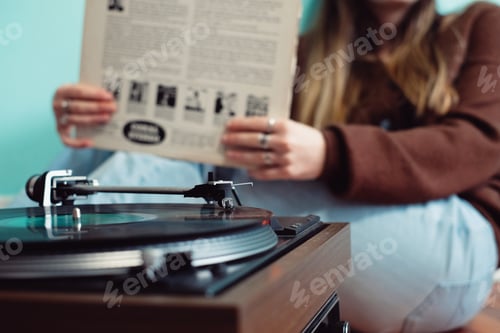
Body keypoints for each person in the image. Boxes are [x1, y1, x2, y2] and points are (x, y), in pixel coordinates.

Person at [44, 0, 500, 331]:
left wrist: (326, 152)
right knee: (135, 142)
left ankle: (39, 255)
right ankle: (49, 236)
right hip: (343, 256)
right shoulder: (302, 52)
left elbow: (478, 144)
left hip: (452, 249)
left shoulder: (483, 22)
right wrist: (107, 118)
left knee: (207, 161)